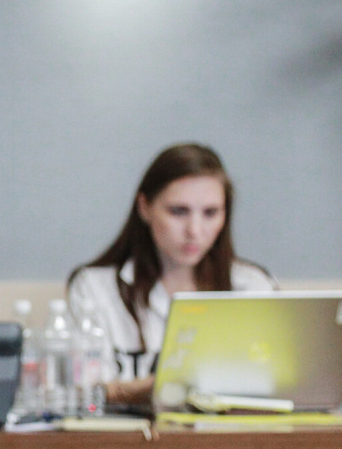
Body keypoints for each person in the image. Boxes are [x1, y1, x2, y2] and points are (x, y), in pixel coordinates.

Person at [67, 143, 275, 406]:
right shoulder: (95, 288)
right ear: (145, 207)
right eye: (178, 211)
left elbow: (276, 382)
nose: (194, 231)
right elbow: (83, 393)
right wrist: (168, 384)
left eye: (211, 213)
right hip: (127, 432)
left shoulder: (251, 286)